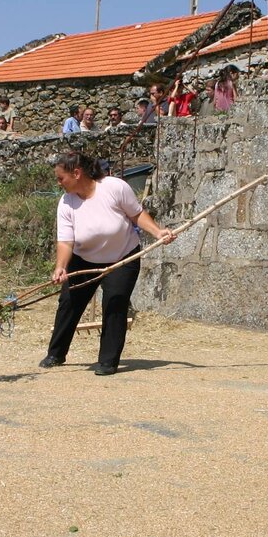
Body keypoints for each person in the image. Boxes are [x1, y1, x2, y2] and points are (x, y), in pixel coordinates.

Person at [39, 150, 175, 376]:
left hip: (123, 257)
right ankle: (56, 353)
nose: (58, 182)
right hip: (83, 260)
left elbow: (137, 214)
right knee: (69, 303)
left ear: (76, 173)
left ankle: (108, 361)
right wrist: (61, 266)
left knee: (115, 302)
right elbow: (65, 240)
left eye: (60, 177)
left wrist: (158, 232)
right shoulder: (66, 203)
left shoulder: (113, 187)